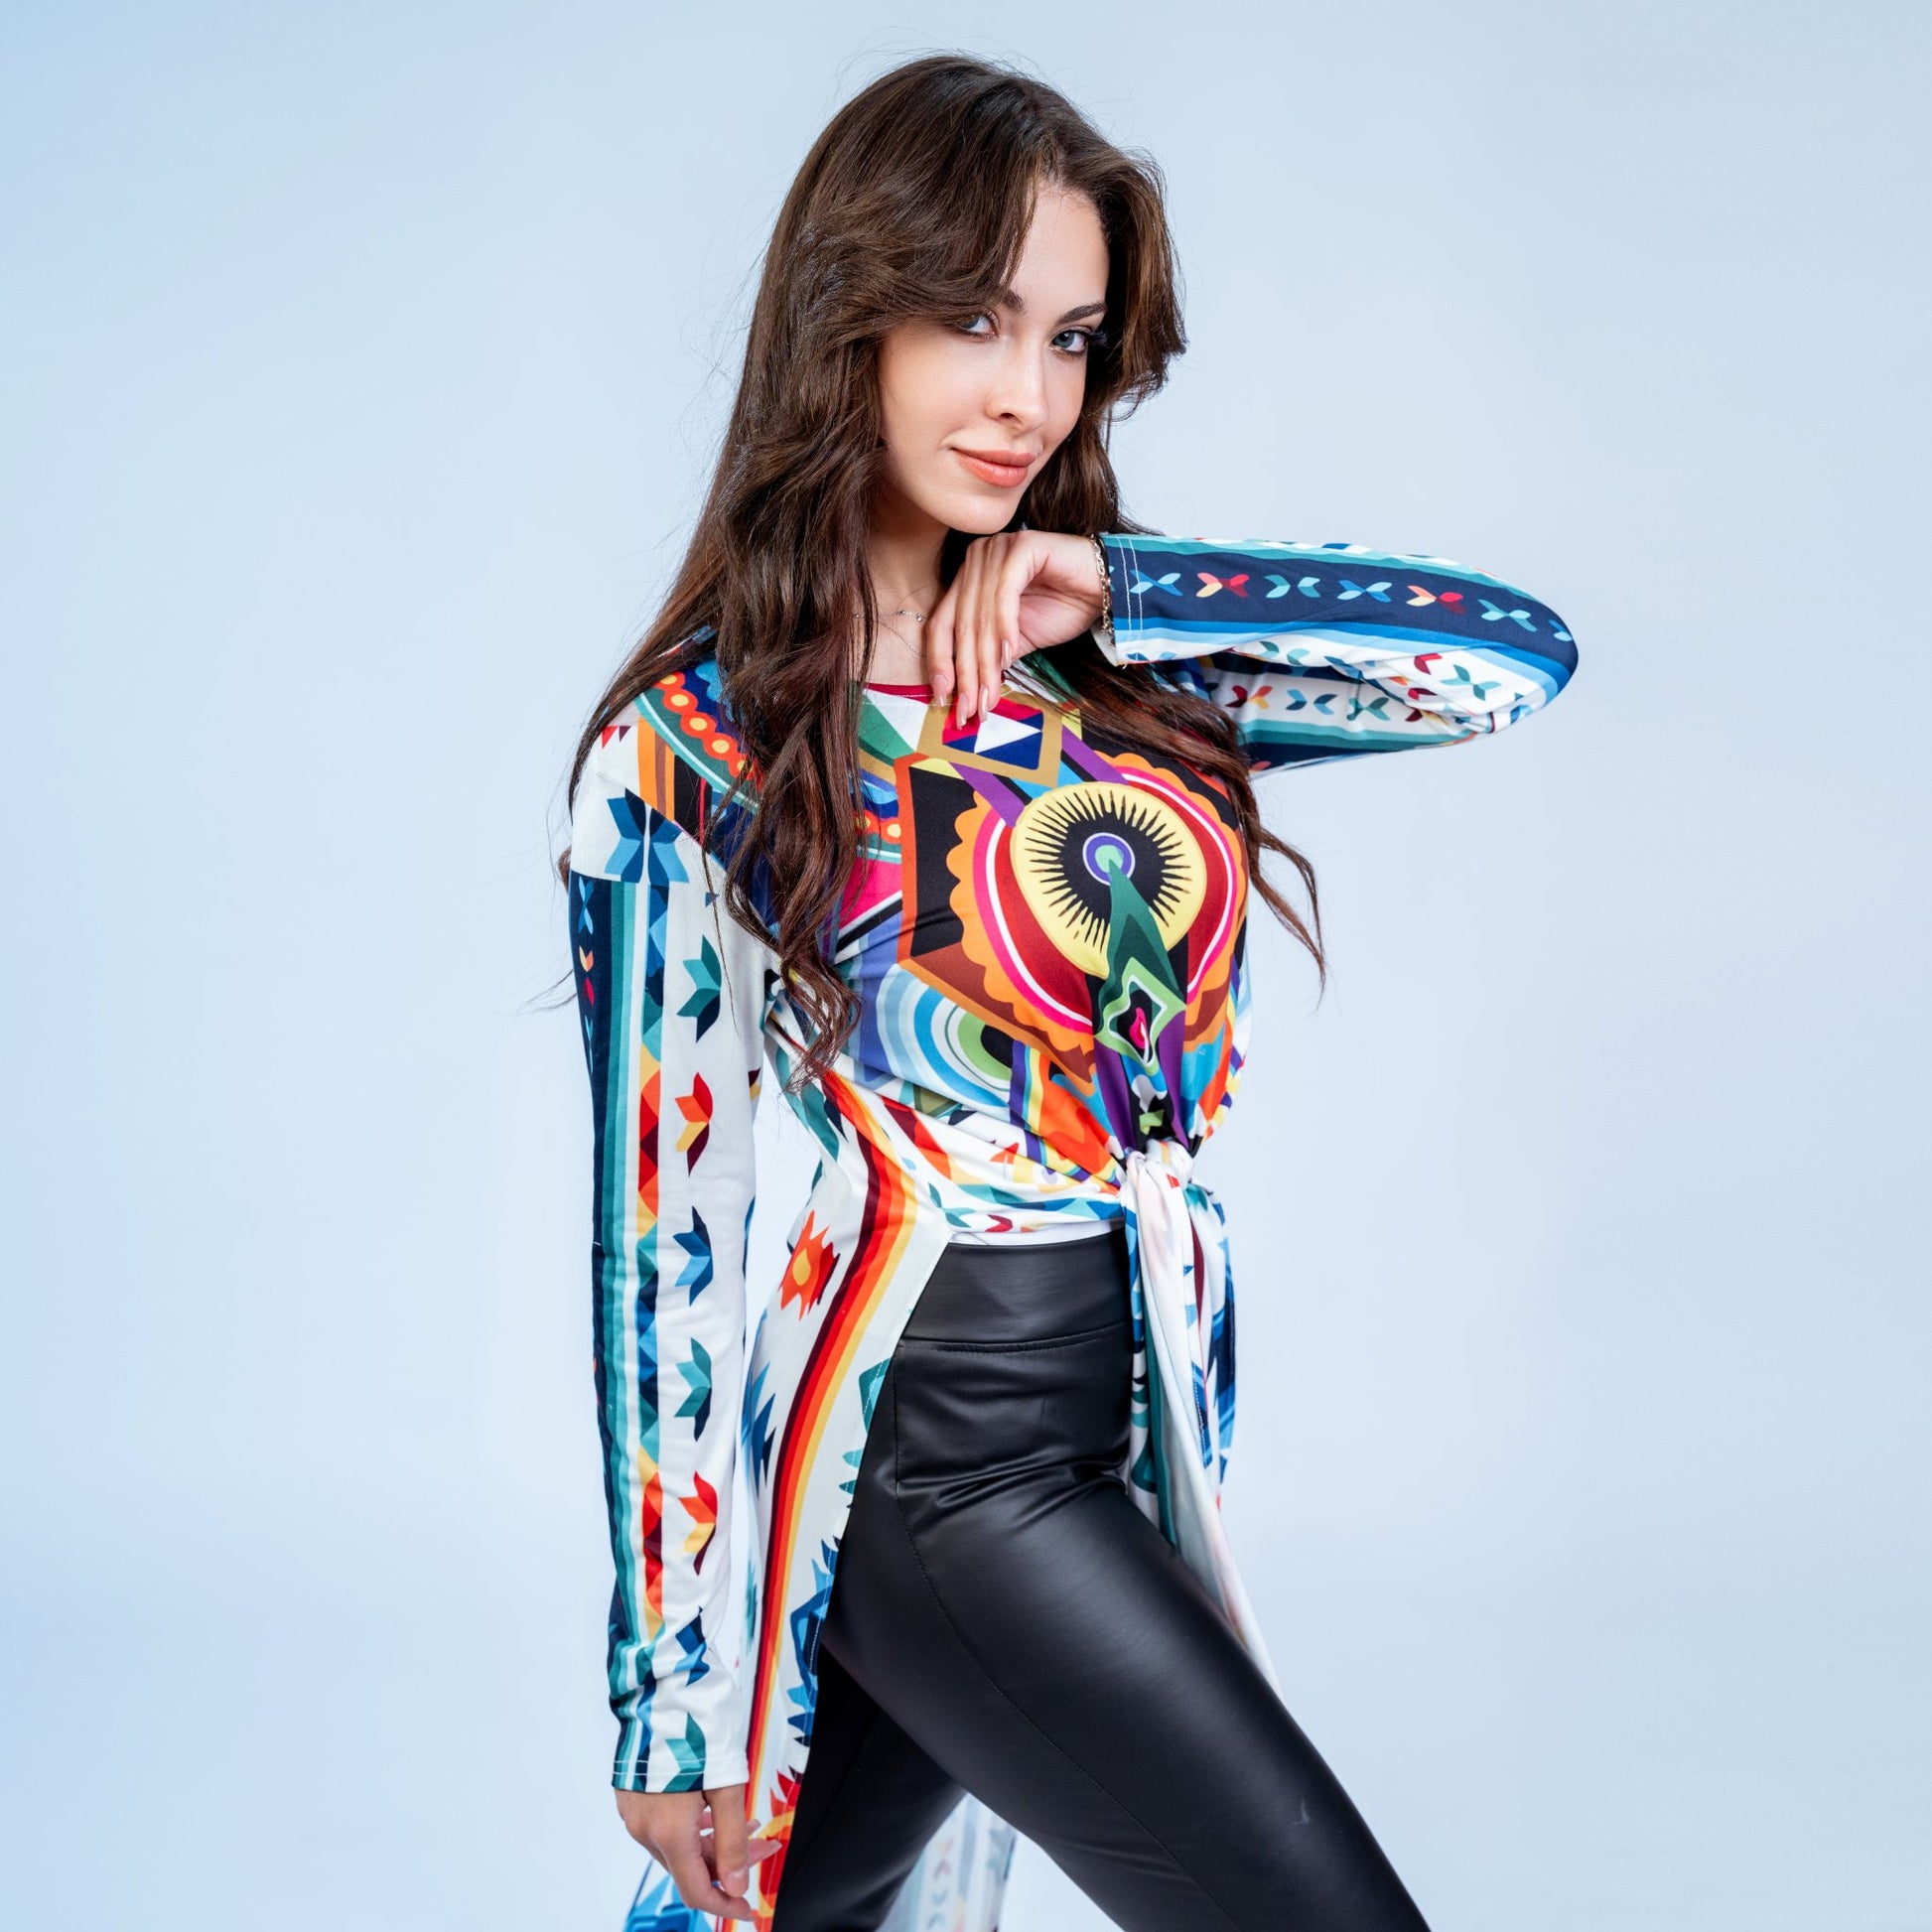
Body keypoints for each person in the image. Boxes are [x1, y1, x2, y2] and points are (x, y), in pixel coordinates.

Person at [559, 52, 1576, 1932]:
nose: (1025, 393)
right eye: (970, 318)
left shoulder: (1107, 677)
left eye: (1072, 337)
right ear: (846, 318)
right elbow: (663, 1232)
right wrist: (669, 1691)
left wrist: (1119, 590)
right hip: (933, 1464)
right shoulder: (699, 741)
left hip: (1107, 1425)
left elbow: (1508, 657)